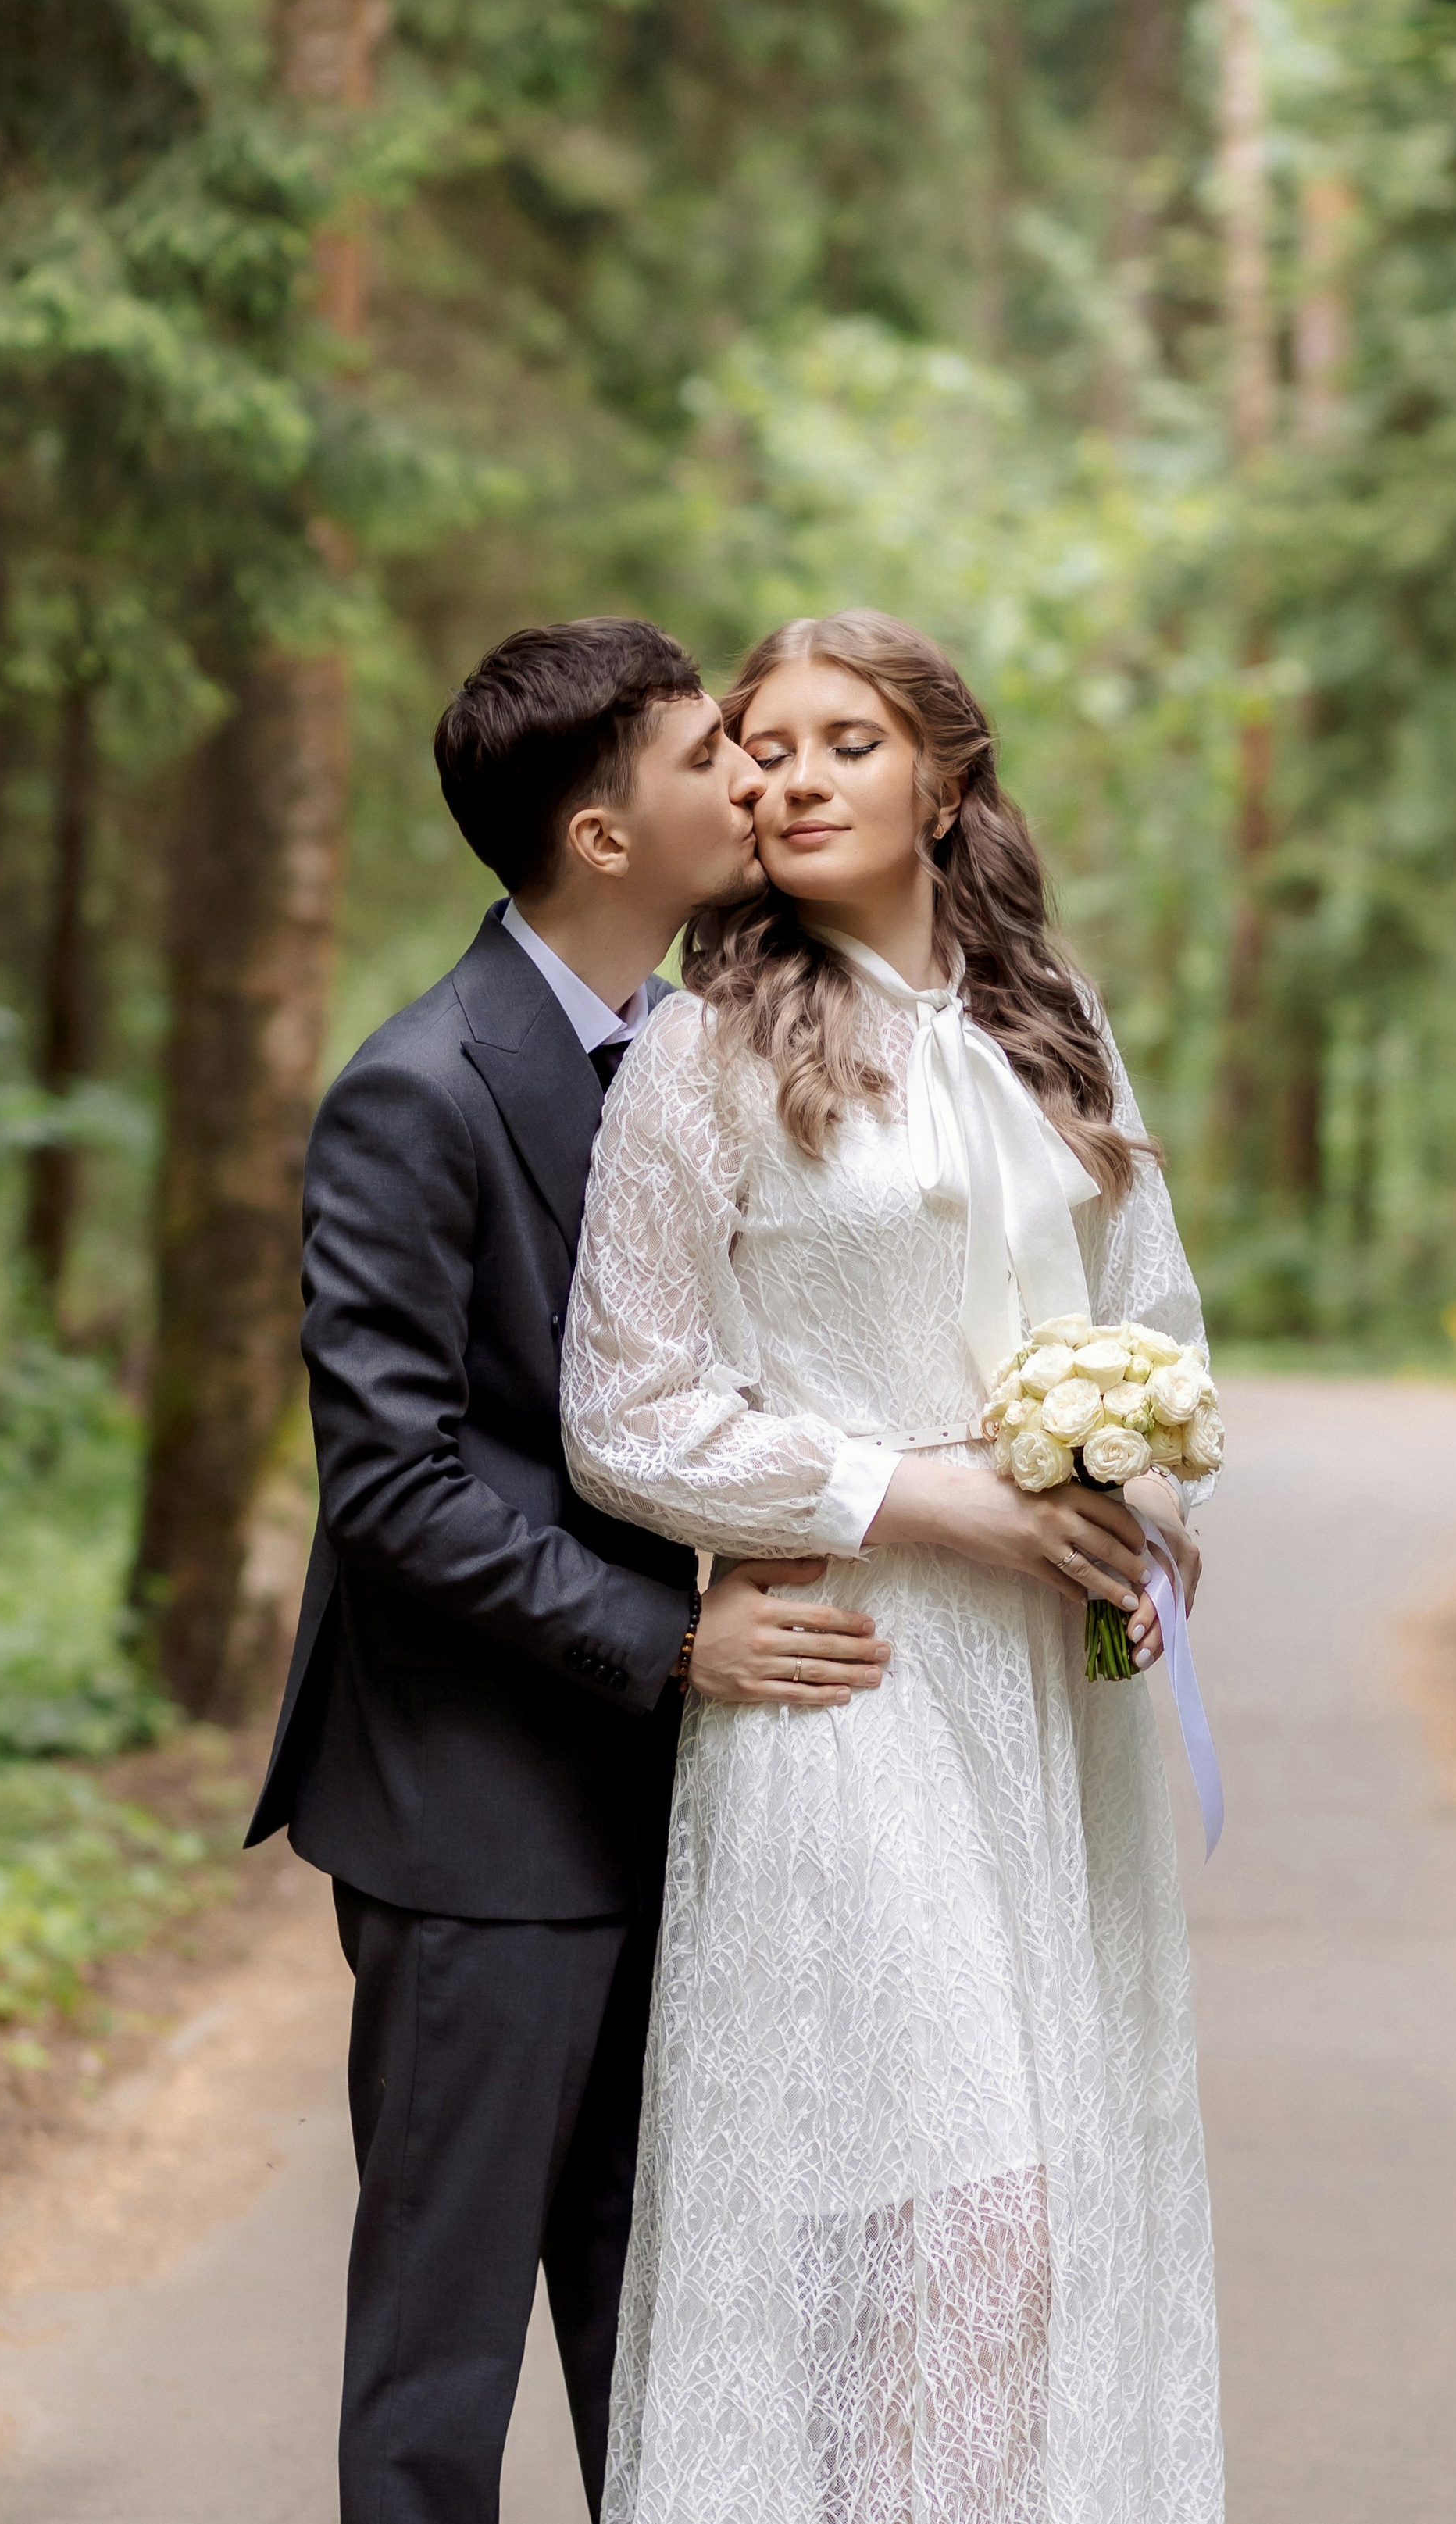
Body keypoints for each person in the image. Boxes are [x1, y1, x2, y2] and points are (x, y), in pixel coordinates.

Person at [562, 609, 1225, 2524]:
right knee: (944, 2211)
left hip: (1044, 1705)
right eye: (757, 748)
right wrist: (924, 1499)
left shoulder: (1048, 1024)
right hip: (849, 1682)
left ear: (941, 780)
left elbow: (1152, 1310)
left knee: (1042, 2197)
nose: (783, 776)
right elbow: (627, 1410)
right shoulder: (701, 1056)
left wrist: (1146, 1510)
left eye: (841, 740)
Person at [245, 619, 894, 2524]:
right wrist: (670, 1640)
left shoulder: (708, 1059)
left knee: (671, 2334)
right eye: (713, 758)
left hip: (686, 1805)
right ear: (603, 836)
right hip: (473, 1815)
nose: (756, 784)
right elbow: (393, 1481)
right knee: (441, 2361)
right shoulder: (417, 1089)